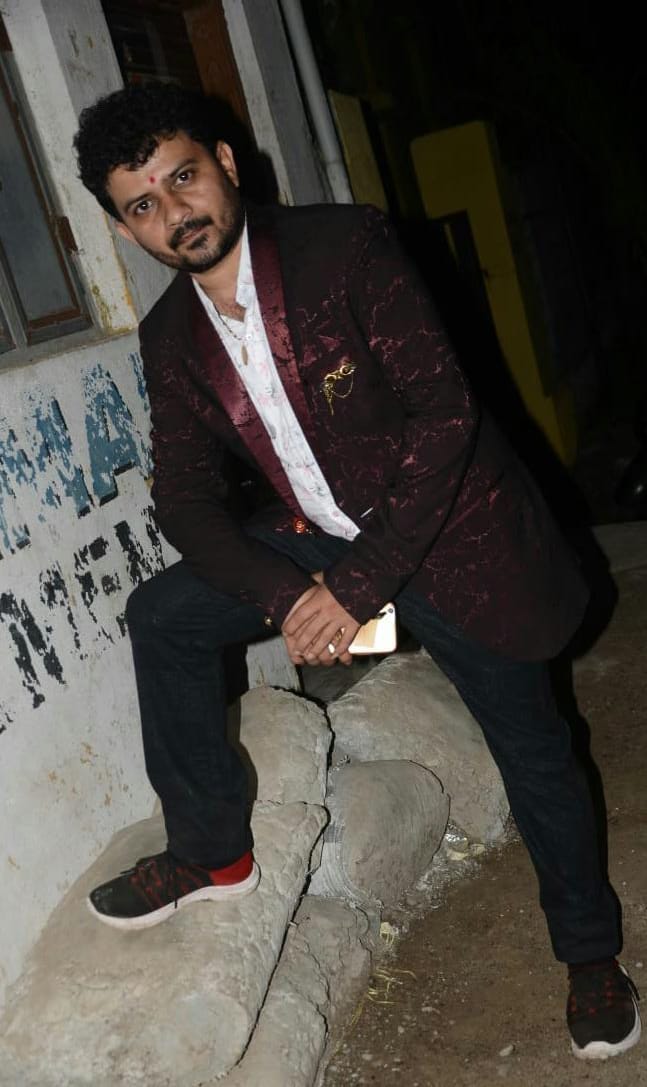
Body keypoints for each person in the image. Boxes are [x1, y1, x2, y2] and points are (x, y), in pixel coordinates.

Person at [74, 82, 639, 1061]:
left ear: (226, 163)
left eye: (184, 177)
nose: (176, 212)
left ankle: (589, 953)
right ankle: (214, 851)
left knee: (534, 750)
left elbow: (443, 416)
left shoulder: (344, 249)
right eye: (145, 204)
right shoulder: (170, 339)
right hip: (321, 542)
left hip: (450, 539)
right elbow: (185, 501)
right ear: (126, 230)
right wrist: (288, 594)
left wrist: (352, 589)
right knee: (163, 615)